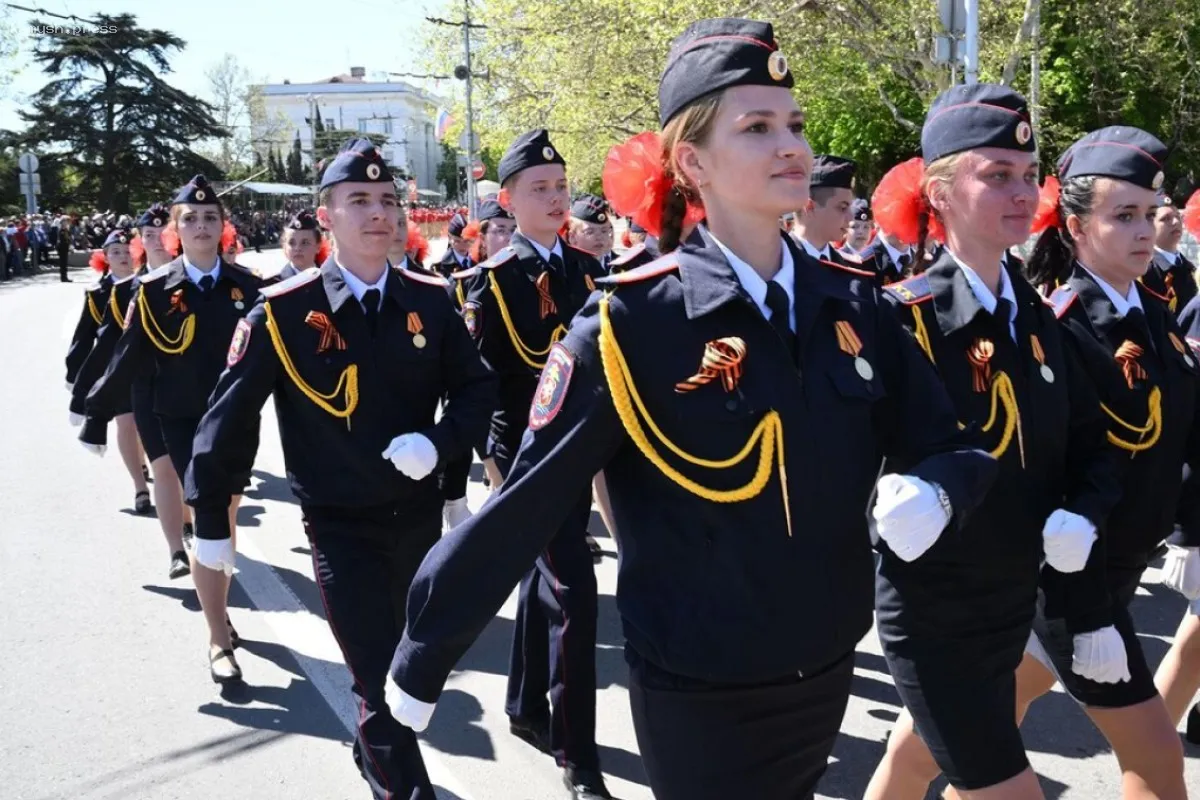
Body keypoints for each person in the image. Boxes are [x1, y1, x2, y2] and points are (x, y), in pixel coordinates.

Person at [385, 20, 999, 800]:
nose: (792, 146)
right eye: (757, 127)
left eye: (794, 125)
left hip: (824, 663)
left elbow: (951, 441)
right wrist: (426, 650)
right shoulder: (631, 324)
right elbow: (529, 500)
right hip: (698, 684)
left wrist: (939, 490)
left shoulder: (856, 305)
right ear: (692, 162)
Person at [186, 138, 496, 799]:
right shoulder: (284, 312)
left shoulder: (432, 300)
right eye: (359, 200)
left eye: (387, 200)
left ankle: (374, 752)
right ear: (327, 216)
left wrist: (440, 445)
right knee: (376, 678)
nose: (378, 213)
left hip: (415, 519)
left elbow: (477, 390)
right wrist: (211, 515)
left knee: (410, 670)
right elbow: (227, 417)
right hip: (338, 525)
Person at [863, 85, 1123, 800]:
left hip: (1013, 601)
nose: (1022, 191)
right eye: (998, 174)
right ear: (940, 193)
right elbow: (849, 463)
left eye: (1029, 174)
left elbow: (1095, 446)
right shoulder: (901, 320)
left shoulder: (1039, 320)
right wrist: (883, 507)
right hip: (936, 610)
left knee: (915, 767)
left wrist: (1085, 516)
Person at [969, 125, 1191, 799]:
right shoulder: (1061, 327)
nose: (1144, 230)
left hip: (1124, 564)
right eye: (1123, 216)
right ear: (1075, 227)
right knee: (1158, 760)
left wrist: (1192, 532)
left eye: (1150, 213)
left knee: (955, 744)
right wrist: (1088, 610)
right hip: (1069, 583)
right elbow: (1056, 485)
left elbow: (1179, 436)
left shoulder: (1155, 312)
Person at [445, 128, 611, 798]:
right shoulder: (488, 283)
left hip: (585, 452)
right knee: (574, 593)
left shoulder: (591, 273)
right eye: (540, 188)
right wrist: (488, 471)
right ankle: (577, 754)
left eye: (561, 186)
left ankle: (524, 704)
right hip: (527, 461)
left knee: (544, 581)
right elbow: (478, 387)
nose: (555, 197)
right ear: (509, 200)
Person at [80, 175, 263, 683]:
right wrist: (95, 415)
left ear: (224, 227)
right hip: (181, 421)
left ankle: (218, 605)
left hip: (236, 422)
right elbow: (127, 357)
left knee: (227, 514)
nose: (201, 226)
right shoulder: (154, 290)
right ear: (174, 231)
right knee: (207, 513)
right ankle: (218, 635)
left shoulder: (249, 287)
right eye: (191, 219)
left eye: (210, 218)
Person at [67, 229, 153, 515]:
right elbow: (84, 336)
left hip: (147, 365)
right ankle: (140, 487)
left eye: (127, 250)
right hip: (116, 370)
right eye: (115, 252)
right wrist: (76, 378)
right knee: (126, 423)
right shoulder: (97, 294)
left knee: (147, 424)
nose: (123, 256)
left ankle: (145, 460)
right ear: (104, 257)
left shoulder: (150, 283)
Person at [791, 154, 872, 272]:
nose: (850, 219)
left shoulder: (851, 267)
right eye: (842, 208)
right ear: (809, 207)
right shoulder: (776, 265)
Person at [1141, 196, 1198, 315]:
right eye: (1165, 218)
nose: (1176, 222)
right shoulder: (1144, 271)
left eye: (1178, 216)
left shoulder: (1190, 268)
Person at [566, 194, 617, 268]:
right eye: (590, 232)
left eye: (604, 231)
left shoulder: (623, 266)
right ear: (573, 237)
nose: (599, 237)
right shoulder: (565, 269)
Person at [276, 210, 327, 282]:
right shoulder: (276, 284)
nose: (297, 248)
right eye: (291, 243)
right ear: (284, 247)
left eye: (305, 243)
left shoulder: (330, 279)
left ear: (318, 247)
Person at [435, 212, 472, 278]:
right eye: (457, 241)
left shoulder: (478, 260)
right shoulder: (440, 267)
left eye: (466, 241)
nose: (462, 245)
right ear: (449, 238)